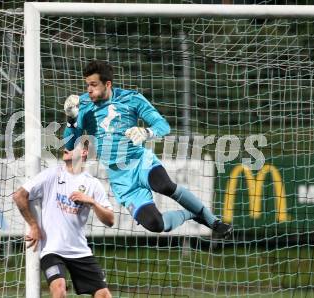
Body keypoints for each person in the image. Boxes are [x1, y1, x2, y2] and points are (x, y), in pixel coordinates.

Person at [63, 60, 233, 239]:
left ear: (108, 84)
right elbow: (69, 146)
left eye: (94, 85)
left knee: (165, 186)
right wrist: (71, 120)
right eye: (87, 85)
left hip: (140, 161)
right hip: (121, 178)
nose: (89, 90)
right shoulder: (82, 105)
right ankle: (192, 214)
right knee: (155, 224)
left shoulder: (131, 99)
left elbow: (163, 125)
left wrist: (146, 132)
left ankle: (213, 221)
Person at [13, 141, 114, 298]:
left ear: (84, 153)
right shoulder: (52, 174)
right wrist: (33, 226)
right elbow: (19, 196)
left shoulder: (92, 184)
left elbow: (110, 220)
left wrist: (91, 202)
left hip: (80, 251)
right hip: (52, 250)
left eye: (72, 146)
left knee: (104, 295)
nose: (66, 148)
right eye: (66, 145)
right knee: (59, 290)